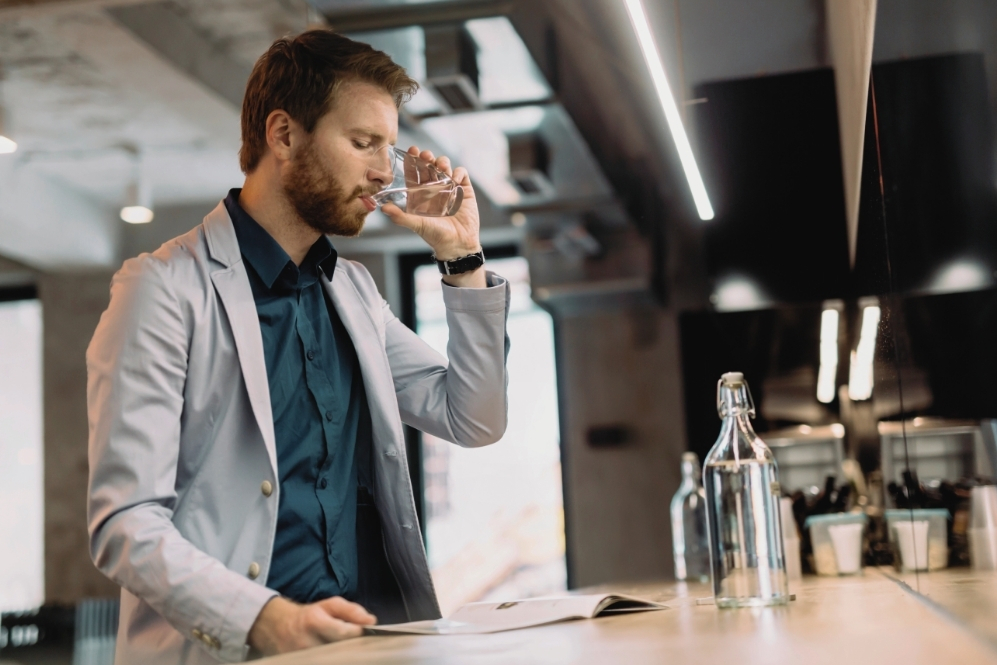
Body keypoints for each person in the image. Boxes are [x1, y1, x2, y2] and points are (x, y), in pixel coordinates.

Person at [86, 30, 509, 664]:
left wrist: (462, 256)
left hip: (368, 645)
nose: (381, 170)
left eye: (387, 148)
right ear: (283, 135)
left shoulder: (352, 291)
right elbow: (125, 523)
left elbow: (472, 418)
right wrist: (265, 621)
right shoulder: (162, 289)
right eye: (363, 142)